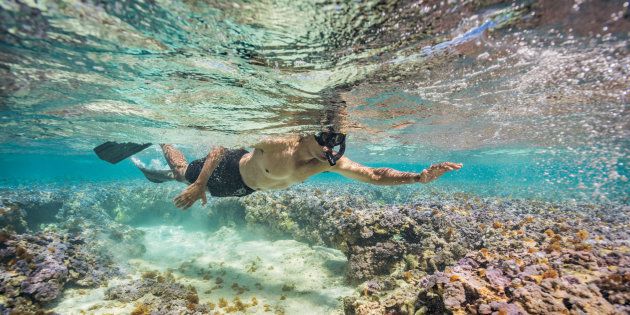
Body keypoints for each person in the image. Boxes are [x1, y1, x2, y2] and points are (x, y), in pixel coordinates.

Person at [131, 132, 462, 209]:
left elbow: (375, 174)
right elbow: (221, 146)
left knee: (175, 175)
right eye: (327, 148)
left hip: (247, 189)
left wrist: (418, 177)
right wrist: (200, 184)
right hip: (227, 169)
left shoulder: (329, 163)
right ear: (313, 138)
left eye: (337, 150)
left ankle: (157, 173)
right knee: (177, 171)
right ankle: (161, 142)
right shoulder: (281, 144)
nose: (331, 156)